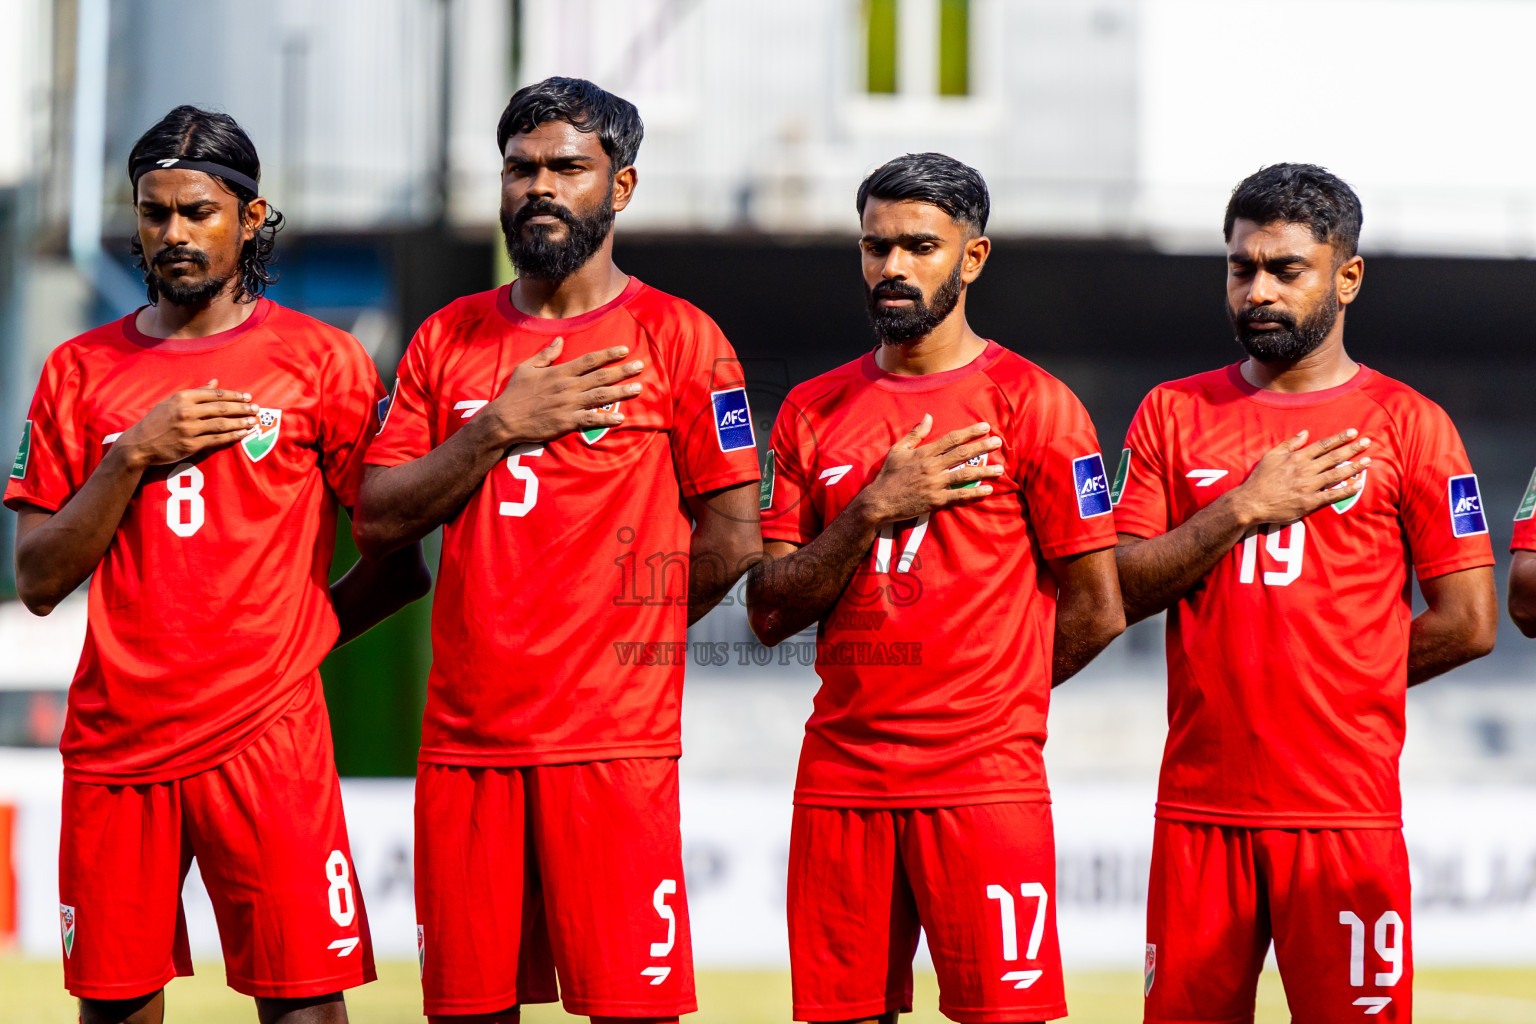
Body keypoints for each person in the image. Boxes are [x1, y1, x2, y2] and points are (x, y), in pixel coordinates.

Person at [5, 106, 430, 1024]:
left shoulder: (324, 363)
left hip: (268, 742)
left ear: (249, 215)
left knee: (305, 1007)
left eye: (197, 212)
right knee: (115, 1010)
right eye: (154, 213)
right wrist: (129, 459)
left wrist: (294, 641)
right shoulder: (78, 370)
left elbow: (401, 564)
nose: (174, 233)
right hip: (119, 747)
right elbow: (37, 579)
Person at [353, 77, 761, 1023]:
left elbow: (734, 538)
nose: (538, 186)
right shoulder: (446, 338)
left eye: (567, 167)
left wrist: (626, 633)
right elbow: (377, 517)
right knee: (467, 1009)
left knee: (630, 1009)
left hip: (612, 751)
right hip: (466, 748)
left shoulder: (682, 340)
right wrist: (496, 427)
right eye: (519, 167)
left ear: (619, 188)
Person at [1112, 163, 1498, 1023]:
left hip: (1343, 814)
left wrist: (1341, 685)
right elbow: (1119, 589)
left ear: (1346, 277)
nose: (1259, 290)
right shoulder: (1171, 413)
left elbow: (1470, 624)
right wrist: (1239, 510)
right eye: (1242, 267)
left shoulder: (1412, 424)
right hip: (1200, 809)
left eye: (1286, 270)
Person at [748, 152, 1125, 1024]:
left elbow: (1099, 606)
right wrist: (870, 510)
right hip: (842, 778)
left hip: (984, 783)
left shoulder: (1037, 406)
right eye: (876, 247)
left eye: (920, 246)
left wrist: (994, 700)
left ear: (974, 257)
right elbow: (768, 610)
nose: (893, 267)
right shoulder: (812, 408)